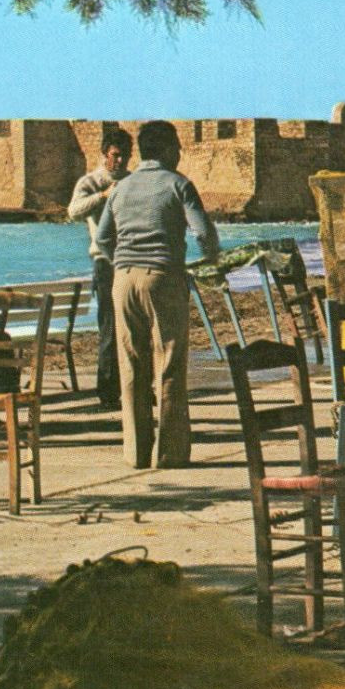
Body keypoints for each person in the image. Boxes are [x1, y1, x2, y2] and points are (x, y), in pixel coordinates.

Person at [95, 120, 219, 469]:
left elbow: (103, 239)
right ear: (166, 150)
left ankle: (136, 452)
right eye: (176, 146)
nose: (179, 152)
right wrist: (212, 258)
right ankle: (170, 453)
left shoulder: (121, 188)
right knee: (169, 363)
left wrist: (120, 262)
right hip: (162, 276)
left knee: (131, 366)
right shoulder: (178, 184)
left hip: (122, 280)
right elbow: (202, 233)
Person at [67, 128, 132, 408]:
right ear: (105, 154)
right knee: (108, 326)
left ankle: (134, 386)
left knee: (133, 326)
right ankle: (107, 390)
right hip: (104, 261)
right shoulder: (90, 181)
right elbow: (73, 211)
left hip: (129, 259)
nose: (120, 162)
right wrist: (104, 196)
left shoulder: (131, 181)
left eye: (125, 157)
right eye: (116, 156)